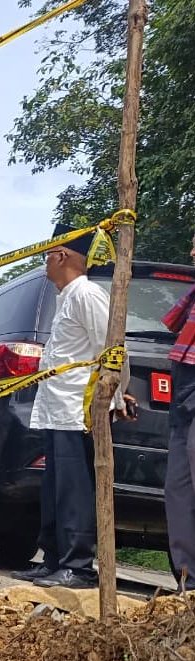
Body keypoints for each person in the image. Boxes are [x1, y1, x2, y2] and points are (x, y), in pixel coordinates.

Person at [12, 224, 124, 588]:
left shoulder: (87, 294)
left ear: (61, 255)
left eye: (48, 255)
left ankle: (77, 566)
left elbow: (113, 349)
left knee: (75, 490)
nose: (45, 264)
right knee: (55, 488)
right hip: (56, 408)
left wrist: (117, 396)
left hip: (78, 410)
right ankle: (54, 558)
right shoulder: (66, 298)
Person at [161, 231, 195, 591]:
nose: (191, 249)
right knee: (178, 488)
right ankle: (188, 580)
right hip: (185, 392)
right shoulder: (192, 296)